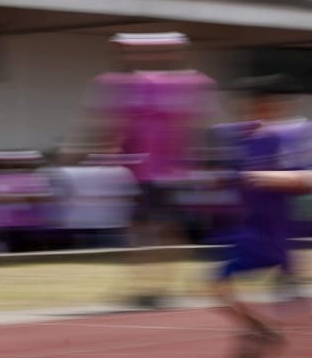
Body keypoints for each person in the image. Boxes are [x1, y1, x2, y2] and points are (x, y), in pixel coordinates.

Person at [213, 75, 312, 358]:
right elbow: (234, 178)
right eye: (250, 107)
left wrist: (265, 177)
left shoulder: (301, 134)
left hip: (284, 229)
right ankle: (261, 329)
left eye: (260, 105)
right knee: (216, 286)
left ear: (277, 105)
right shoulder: (245, 139)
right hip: (250, 229)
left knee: (291, 302)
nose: (253, 112)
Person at [76, 32, 217, 308]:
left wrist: (199, 163)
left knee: (166, 229)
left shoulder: (188, 84)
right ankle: (141, 285)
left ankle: (162, 285)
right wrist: (105, 152)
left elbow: (196, 128)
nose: (147, 57)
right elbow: (110, 125)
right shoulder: (120, 85)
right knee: (139, 229)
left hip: (170, 173)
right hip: (135, 173)